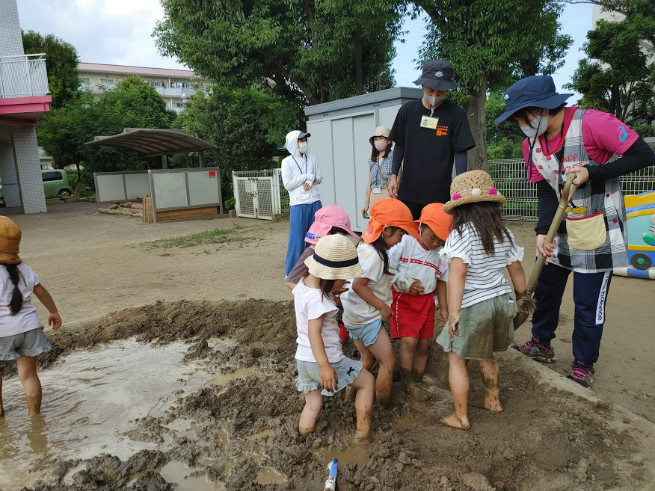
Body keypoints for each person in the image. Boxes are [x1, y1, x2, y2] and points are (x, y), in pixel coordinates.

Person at [495, 75, 655, 388]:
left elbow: (645, 156)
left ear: (538, 109)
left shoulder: (593, 123)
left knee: (586, 301)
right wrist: (542, 231)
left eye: (519, 116)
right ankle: (542, 343)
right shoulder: (532, 144)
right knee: (547, 290)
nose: (519, 124)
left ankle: (583, 363)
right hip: (559, 228)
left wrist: (593, 172)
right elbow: (542, 187)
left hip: (597, 228)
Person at [437, 170, 527, 430]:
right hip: (500, 301)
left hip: (473, 306)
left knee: (456, 358)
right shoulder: (504, 232)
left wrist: (454, 312)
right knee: (487, 354)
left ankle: (461, 416)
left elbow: (458, 274)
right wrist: (523, 298)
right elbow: (516, 268)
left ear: (460, 209)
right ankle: (492, 400)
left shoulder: (461, 234)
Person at [293, 234, 375, 439]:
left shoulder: (303, 286)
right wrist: (324, 366)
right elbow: (315, 334)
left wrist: (332, 291)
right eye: (342, 278)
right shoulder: (318, 301)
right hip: (325, 359)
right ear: (330, 277)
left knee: (313, 403)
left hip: (303, 359)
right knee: (367, 381)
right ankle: (362, 433)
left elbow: (315, 298)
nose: (345, 281)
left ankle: (303, 436)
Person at [340, 198, 420, 406]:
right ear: (385, 231)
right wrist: (382, 306)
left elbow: (381, 272)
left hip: (352, 317)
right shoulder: (375, 256)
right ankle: (384, 405)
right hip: (367, 319)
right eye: (401, 234)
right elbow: (359, 285)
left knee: (367, 359)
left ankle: (349, 395)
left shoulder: (365, 248)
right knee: (388, 362)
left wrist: (404, 278)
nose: (401, 241)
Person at [387, 59, 476, 219]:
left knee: (437, 239)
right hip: (409, 192)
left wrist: (461, 184)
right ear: (422, 85)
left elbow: (460, 152)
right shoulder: (407, 111)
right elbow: (399, 144)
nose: (435, 95)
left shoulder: (456, 114)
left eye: (441, 92)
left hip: (440, 194)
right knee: (408, 237)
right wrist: (393, 175)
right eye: (430, 90)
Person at [0, 216, 62, 417]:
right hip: (29, 327)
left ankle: (0, 413)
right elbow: (41, 292)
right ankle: (35, 417)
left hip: (2, 331)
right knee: (28, 376)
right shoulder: (25, 269)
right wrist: (53, 312)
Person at [388, 203, 451, 395]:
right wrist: (404, 281)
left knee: (423, 345)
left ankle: (418, 379)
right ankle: (408, 383)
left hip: (426, 303)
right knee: (409, 342)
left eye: (441, 240)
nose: (435, 243)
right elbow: (388, 269)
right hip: (403, 299)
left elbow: (441, 280)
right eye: (432, 237)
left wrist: (445, 309)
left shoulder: (440, 253)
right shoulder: (405, 242)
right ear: (421, 227)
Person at [285, 205, 359, 346]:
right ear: (329, 233)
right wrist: (314, 298)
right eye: (341, 236)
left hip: (333, 305)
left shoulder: (329, 253)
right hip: (321, 313)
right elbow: (291, 281)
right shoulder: (312, 253)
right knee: (329, 339)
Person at [281, 130, 322, 278]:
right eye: (300, 140)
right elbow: (288, 184)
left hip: (315, 202)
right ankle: (290, 273)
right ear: (293, 143)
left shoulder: (312, 158)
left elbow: (320, 177)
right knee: (297, 240)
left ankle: (312, 272)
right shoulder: (287, 162)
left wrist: (311, 181)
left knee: (316, 239)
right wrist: (306, 176)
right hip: (298, 204)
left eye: (305, 139)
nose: (304, 143)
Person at [362, 126, 394, 218]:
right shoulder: (372, 160)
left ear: (388, 141)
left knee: (387, 225)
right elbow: (369, 184)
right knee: (375, 225)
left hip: (387, 196)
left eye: (381, 138)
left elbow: (398, 181)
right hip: (374, 197)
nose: (378, 141)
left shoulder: (394, 157)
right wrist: (366, 204)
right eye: (375, 139)